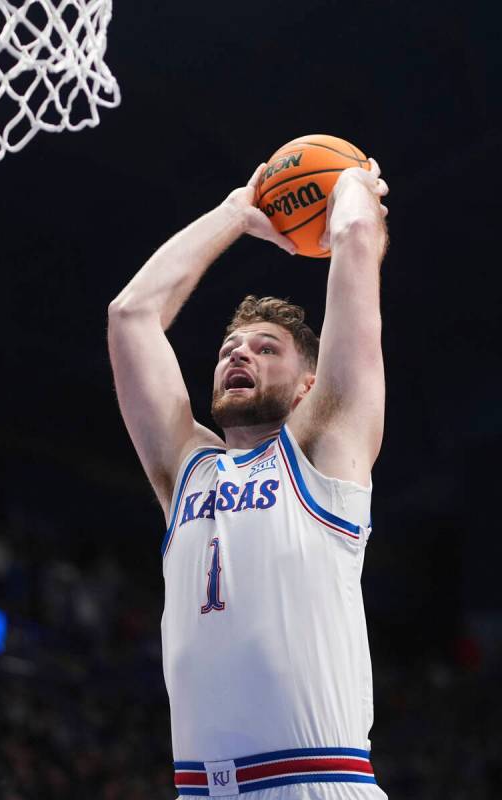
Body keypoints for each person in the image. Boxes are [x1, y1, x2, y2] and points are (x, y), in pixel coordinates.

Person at [108, 155, 389, 800]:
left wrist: (350, 185)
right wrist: (236, 211)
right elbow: (131, 319)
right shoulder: (188, 474)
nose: (240, 352)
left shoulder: (324, 449)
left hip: (317, 782)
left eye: (267, 349)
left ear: (308, 386)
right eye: (231, 347)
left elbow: (351, 240)